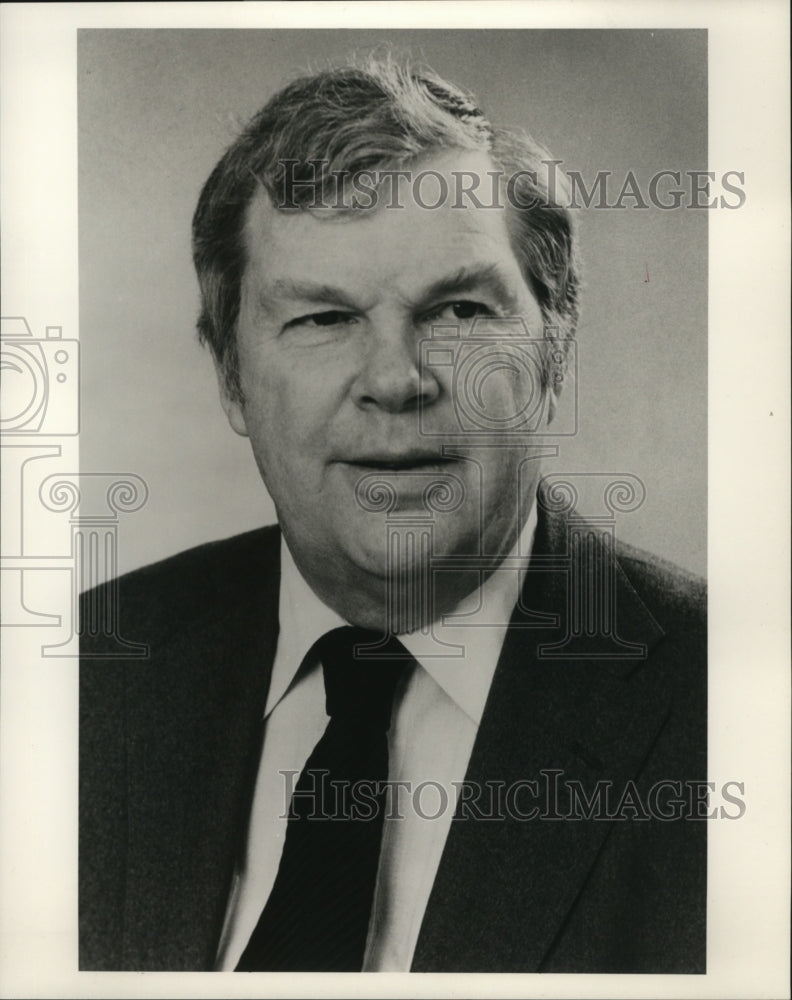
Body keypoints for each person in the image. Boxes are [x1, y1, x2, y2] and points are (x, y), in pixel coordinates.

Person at [79, 57, 706, 973]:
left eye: (456, 309)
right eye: (323, 320)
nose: (395, 381)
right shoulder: (82, 678)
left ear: (554, 353)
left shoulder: (740, 709)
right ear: (231, 378)